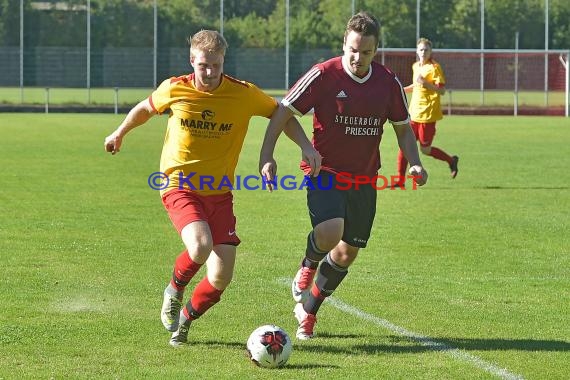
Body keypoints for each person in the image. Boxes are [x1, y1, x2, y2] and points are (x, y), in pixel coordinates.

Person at [103, 30, 319, 347]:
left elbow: (281, 113)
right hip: (179, 184)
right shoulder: (174, 88)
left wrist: (305, 146)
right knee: (200, 246)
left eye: (215, 65)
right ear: (192, 61)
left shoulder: (242, 94)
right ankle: (174, 290)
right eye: (203, 65)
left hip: (219, 193)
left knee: (221, 276)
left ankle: (185, 322)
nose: (210, 72)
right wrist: (119, 132)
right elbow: (146, 108)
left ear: (223, 62)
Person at [258, 12, 428, 340]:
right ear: (344, 44)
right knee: (330, 231)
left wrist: (415, 162)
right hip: (326, 171)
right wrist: (267, 155)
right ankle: (307, 265)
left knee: (348, 252)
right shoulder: (323, 75)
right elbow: (284, 110)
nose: (357, 57)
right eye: (352, 49)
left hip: (364, 178)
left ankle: (308, 310)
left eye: (365, 52)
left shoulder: (388, 82)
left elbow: (403, 129)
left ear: (376, 51)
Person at [396, 37, 458, 187]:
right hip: (414, 113)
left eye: (426, 50)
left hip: (428, 115)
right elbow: (416, 86)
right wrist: (400, 90)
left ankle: (451, 160)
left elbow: (441, 90)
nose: (423, 52)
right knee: (404, 146)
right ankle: (400, 180)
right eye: (421, 49)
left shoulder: (434, 68)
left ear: (431, 52)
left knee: (425, 150)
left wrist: (426, 83)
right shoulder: (416, 66)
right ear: (417, 51)